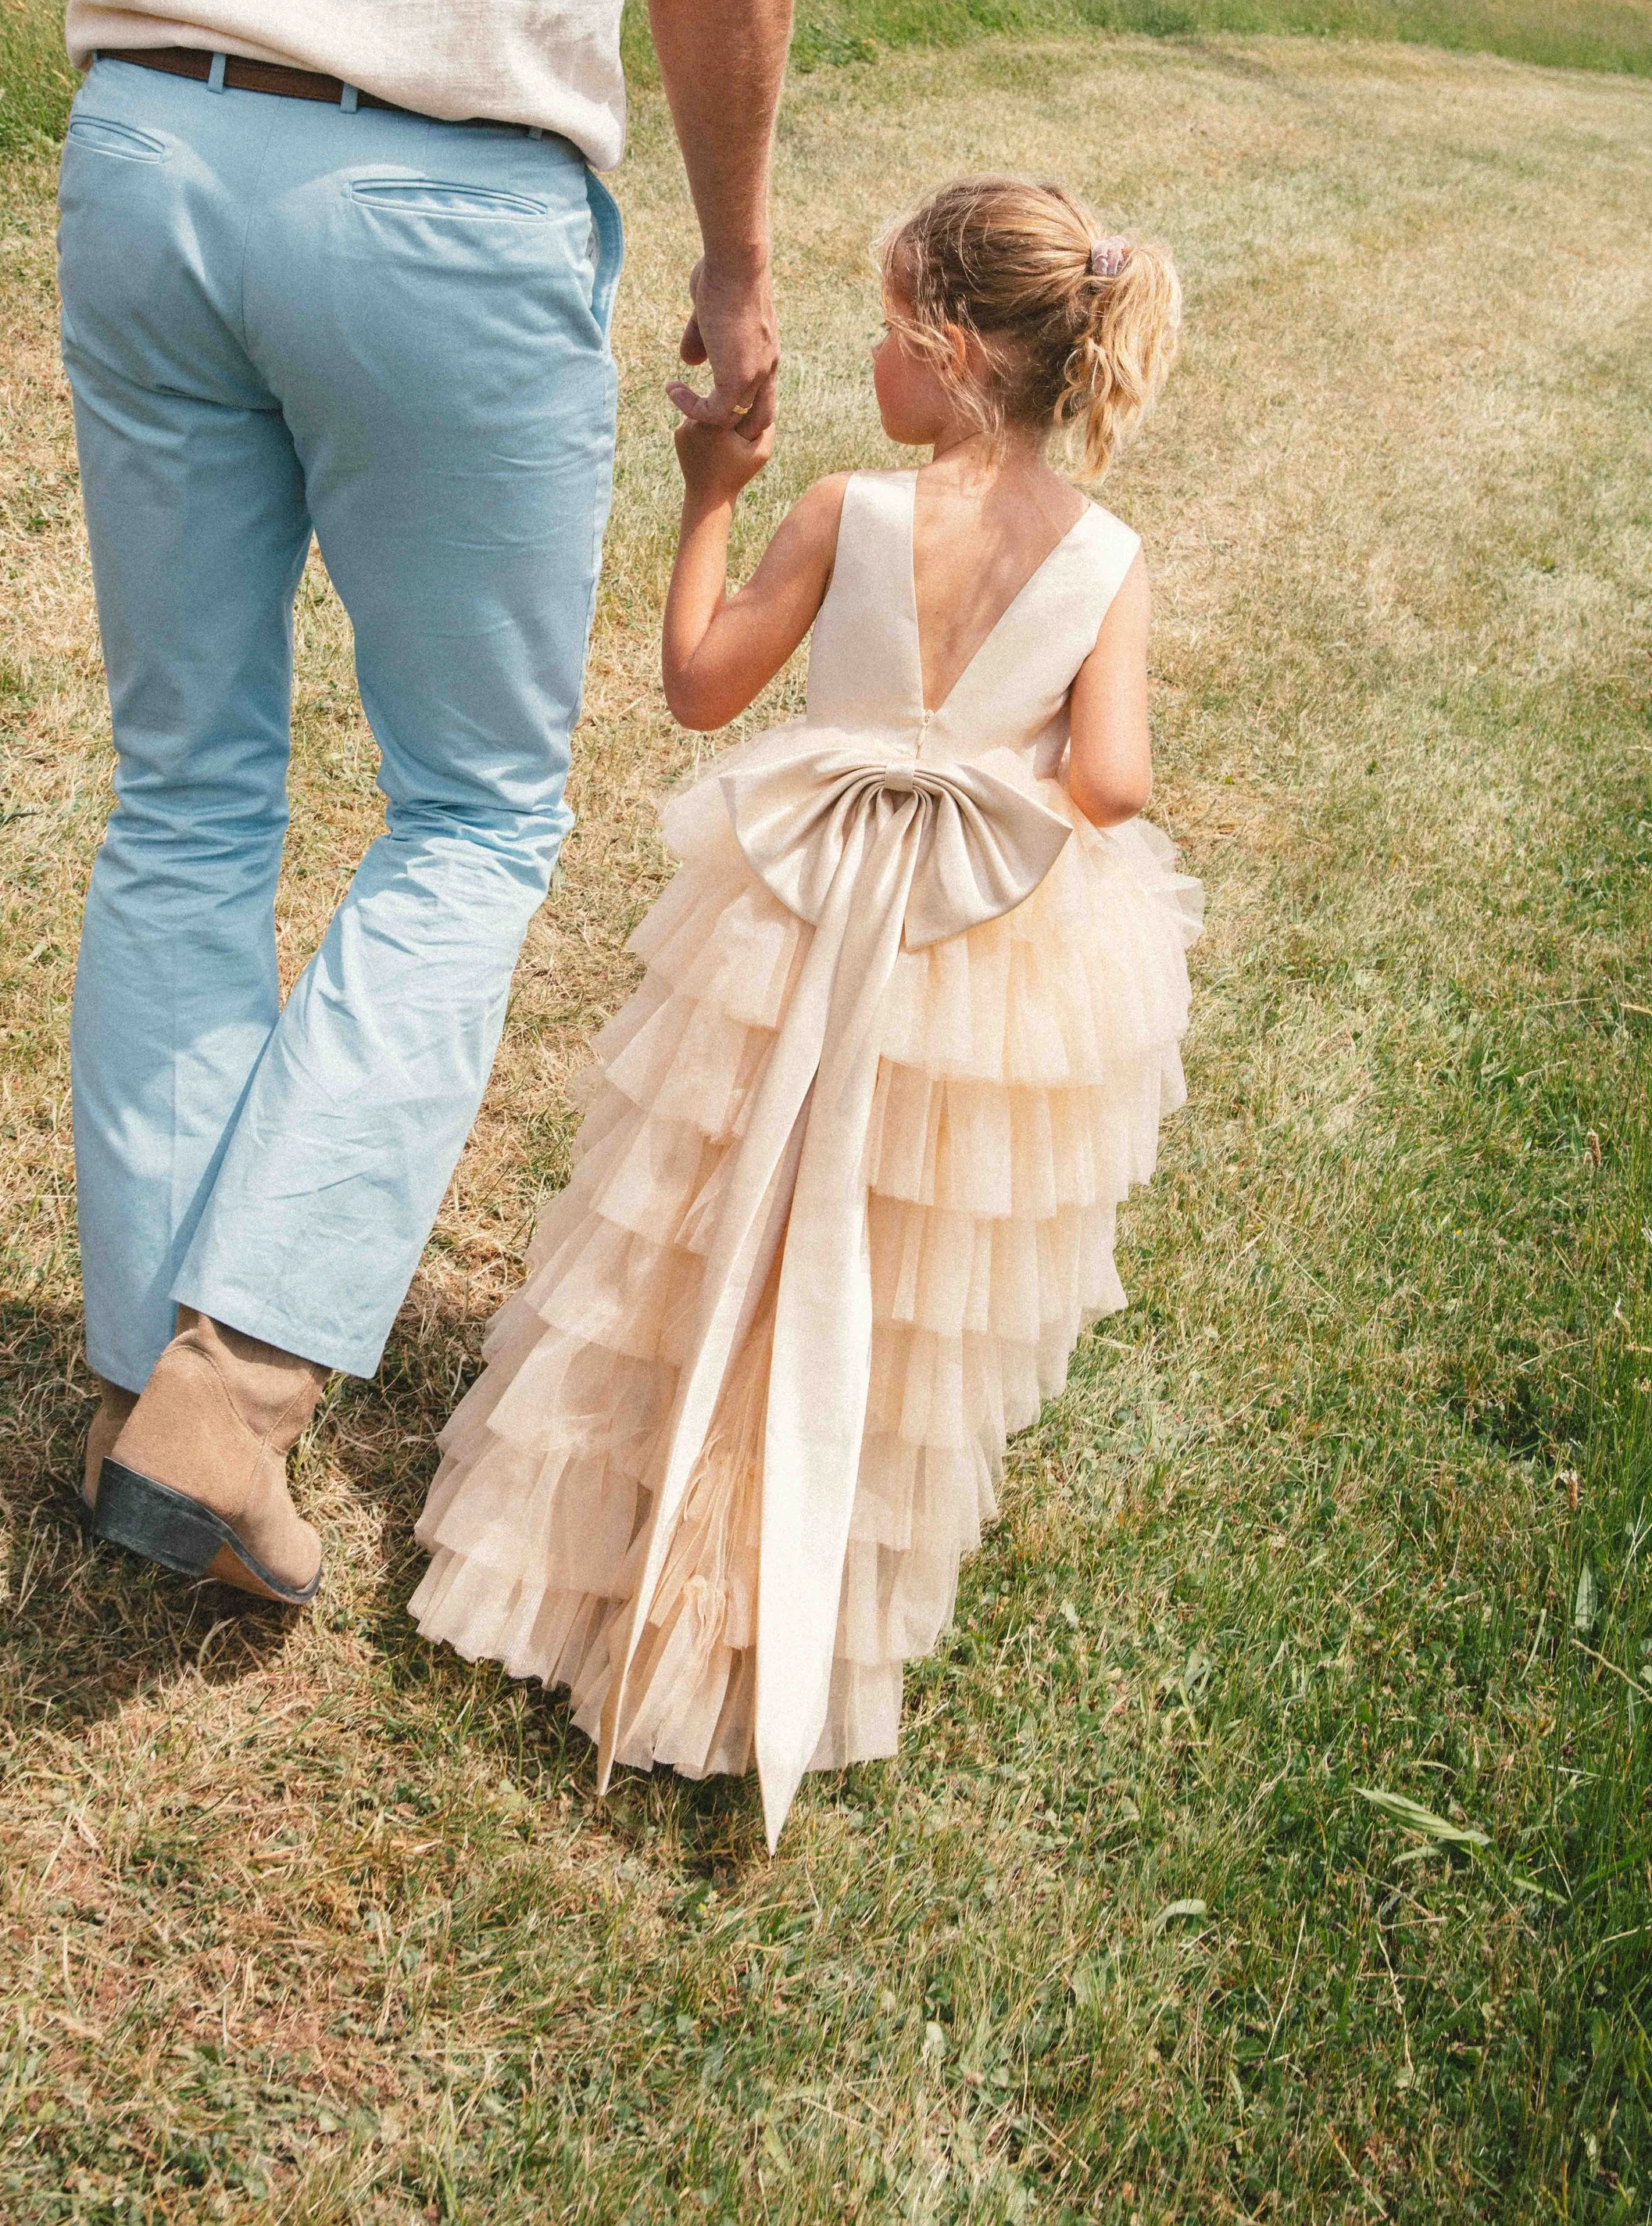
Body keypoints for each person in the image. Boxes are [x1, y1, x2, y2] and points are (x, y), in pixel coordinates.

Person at [0, 0, 796, 1606]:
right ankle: (246, 1369)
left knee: (187, 774)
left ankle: (138, 1362)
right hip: (456, 186)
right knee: (476, 804)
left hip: (154, 151)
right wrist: (737, 256)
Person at [411, 176, 1202, 1844]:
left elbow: (699, 683)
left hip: (792, 908)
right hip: (968, 947)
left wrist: (706, 492)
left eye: (890, 317)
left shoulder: (844, 510)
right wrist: (984, 780)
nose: (867, 352)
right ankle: (786, 1619)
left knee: (705, 1222)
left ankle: (599, 1579)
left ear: (955, 351)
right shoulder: (1109, 558)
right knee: (884, 1276)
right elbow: (1115, 784)